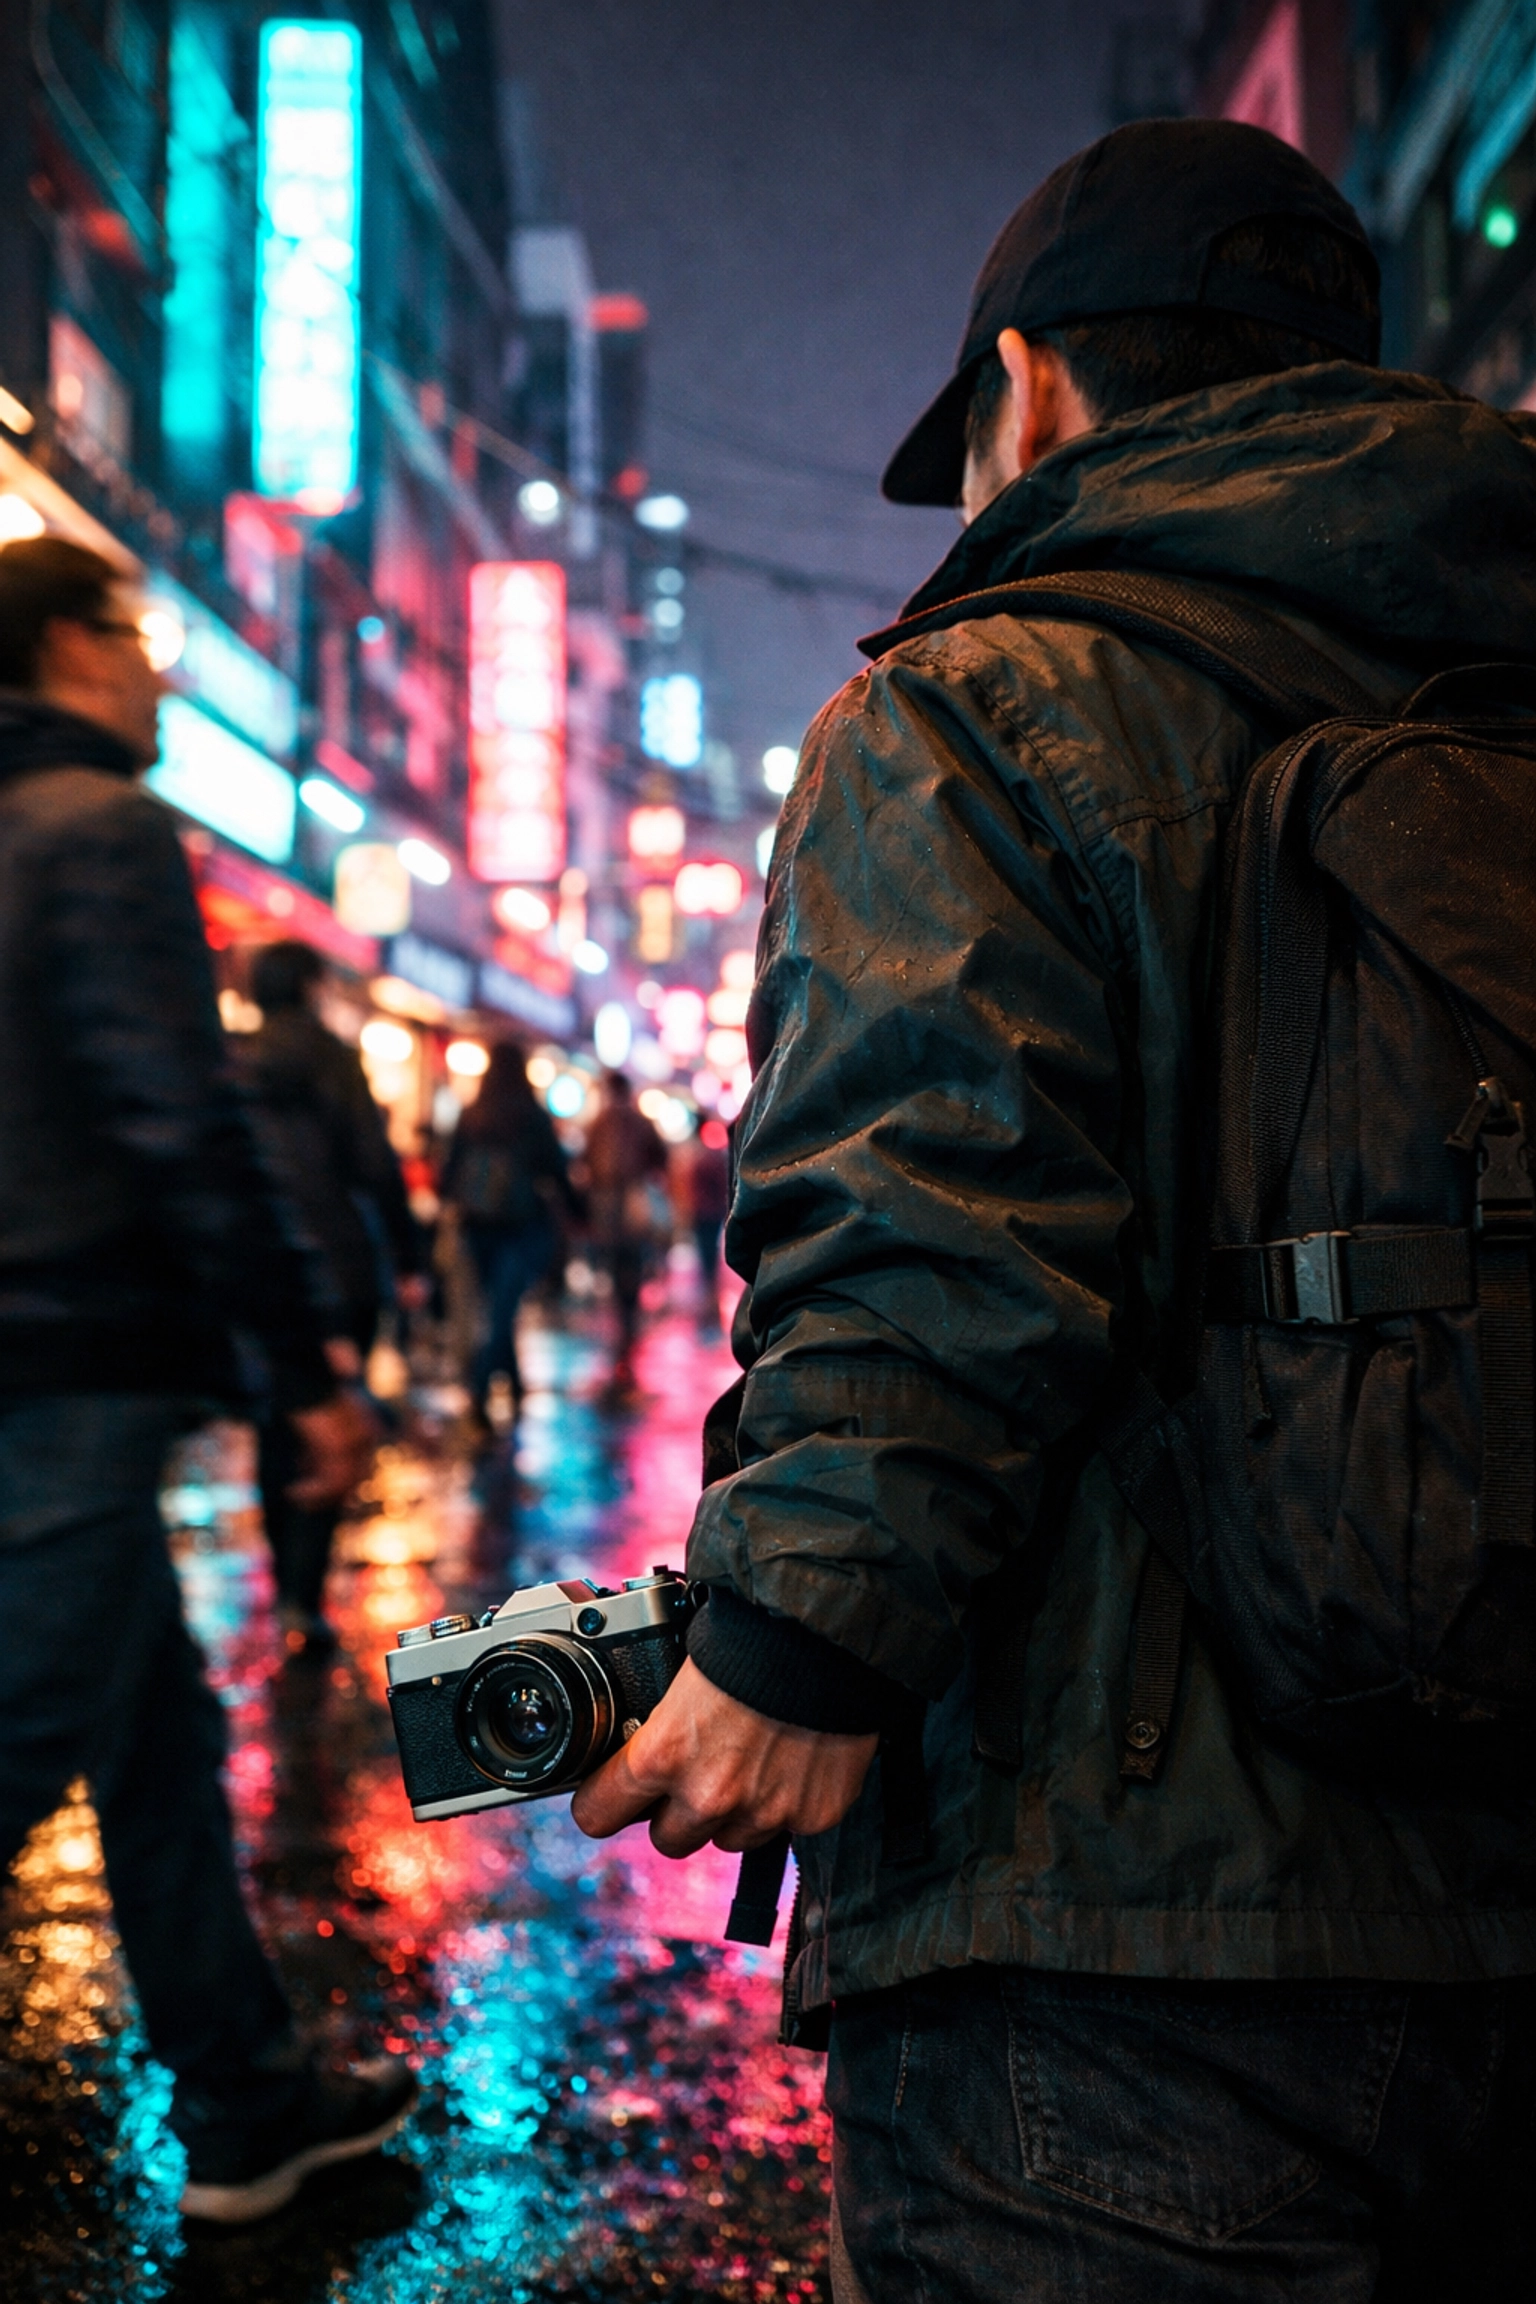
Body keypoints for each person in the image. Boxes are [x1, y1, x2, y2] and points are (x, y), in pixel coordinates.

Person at [571, 121, 1536, 2298]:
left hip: (1108, 1941)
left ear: (1030, 385)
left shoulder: (980, 705)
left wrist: (796, 1638)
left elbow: (926, 1213)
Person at [0, 536, 414, 2221]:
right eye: (141, 633)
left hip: (34, 1356)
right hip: (70, 1352)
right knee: (27, 1720)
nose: (162, 666)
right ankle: (246, 2098)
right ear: (65, 648)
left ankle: (246, 2099)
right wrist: (309, 1365)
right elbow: (184, 1123)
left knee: (151, 1735)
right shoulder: (99, 834)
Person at [238, 938, 428, 1652]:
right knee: (331, 1414)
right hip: (340, 1261)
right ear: (314, 986)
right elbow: (375, 1165)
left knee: (277, 1418)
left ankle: (286, 1576)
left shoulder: (235, 1059)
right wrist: (408, 1256)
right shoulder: (332, 1058)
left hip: (262, 1265)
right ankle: (302, 1592)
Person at [441, 1041, 576, 1430]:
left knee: (500, 1309)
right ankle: (479, 1391)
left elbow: (448, 1174)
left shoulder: (470, 1115)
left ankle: (512, 1387)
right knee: (504, 1311)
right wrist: (577, 1211)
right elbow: (555, 1170)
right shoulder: (531, 1116)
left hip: (476, 1227)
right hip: (520, 1226)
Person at [581, 1070, 667, 1385]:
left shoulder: (598, 1123)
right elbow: (660, 1158)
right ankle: (628, 1315)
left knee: (616, 1263)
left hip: (608, 1205)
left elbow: (586, 1162)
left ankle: (624, 1315)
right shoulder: (639, 1121)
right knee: (631, 1261)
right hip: (632, 1203)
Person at [682, 1116, 730, 1331]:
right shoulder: (717, 1160)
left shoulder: (700, 1159)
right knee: (710, 1252)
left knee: (705, 1252)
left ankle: (709, 1287)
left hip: (702, 1213)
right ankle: (711, 1287)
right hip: (712, 1212)